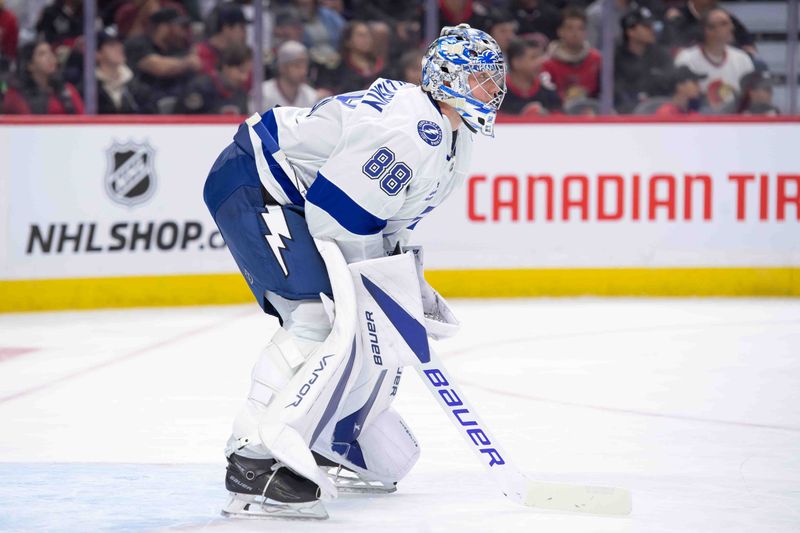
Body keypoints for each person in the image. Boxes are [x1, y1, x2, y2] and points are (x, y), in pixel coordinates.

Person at [202, 23, 505, 520]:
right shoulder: (412, 128)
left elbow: (385, 219)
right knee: (316, 319)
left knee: (364, 325)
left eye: (495, 80)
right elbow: (336, 216)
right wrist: (377, 284)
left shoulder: (453, 140)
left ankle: (329, 437)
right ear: (447, 77)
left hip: (298, 196)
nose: (493, 91)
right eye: (481, 79)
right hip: (256, 181)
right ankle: (251, 457)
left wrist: (408, 283)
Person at [674, 7, 754, 112]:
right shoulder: (686, 59)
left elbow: (751, 98)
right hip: (698, 121)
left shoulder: (742, 59)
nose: (732, 28)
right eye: (725, 24)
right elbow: (680, 101)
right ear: (708, 30)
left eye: (729, 23)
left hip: (734, 120)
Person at [125, 7, 202, 113]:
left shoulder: (179, 48)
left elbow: (197, 65)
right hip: (145, 108)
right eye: (180, 26)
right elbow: (159, 67)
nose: (183, 32)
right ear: (163, 27)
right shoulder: (138, 44)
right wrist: (187, 62)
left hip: (180, 108)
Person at [613, 6, 673, 114]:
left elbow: (670, 87)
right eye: (646, 26)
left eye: (652, 25)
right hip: (625, 118)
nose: (652, 30)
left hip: (660, 116)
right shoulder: (615, 58)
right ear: (630, 31)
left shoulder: (662, 55)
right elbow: (616, 92)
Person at [2, 39, 84, 114]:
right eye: (42, 54)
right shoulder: (16, 95)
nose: (50, 57)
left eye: (51, 52)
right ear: (30, 65)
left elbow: (82, 120)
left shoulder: (67, 90)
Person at [542, 6, 602, 103]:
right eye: (570, 28)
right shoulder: (547, 64)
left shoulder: (597, 60)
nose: (575, 33)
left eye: (580, 28)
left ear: (586, 32)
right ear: (560, 31)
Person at [175, 43, 251, 114]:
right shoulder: (199, 89)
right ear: (226, 66)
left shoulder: (241, 94)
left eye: (248, 72)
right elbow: (182, 123)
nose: (244, 78)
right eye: (241, 71)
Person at [502, 36, 561, 115]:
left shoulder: (549, 94)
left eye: (541, 57)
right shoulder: (495, 95)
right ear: (516, 62)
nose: (540, 62)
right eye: (534, 57)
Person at [260, 40, 319, 110]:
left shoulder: (311, 96)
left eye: (305, 66)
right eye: (297, 66)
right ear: (282, 67)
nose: (303, 71)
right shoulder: (263, 92)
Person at [196, 2, 249, 78]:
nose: (245, 34)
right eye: (242, 28)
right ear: (227, 28)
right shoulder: (200, 54)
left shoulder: (240, 54)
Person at [95, 28, 140, 114]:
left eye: (120, 43)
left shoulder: (137, 86)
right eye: (111, 45)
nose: (119, 48)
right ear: (97, 53)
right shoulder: (88, 88)